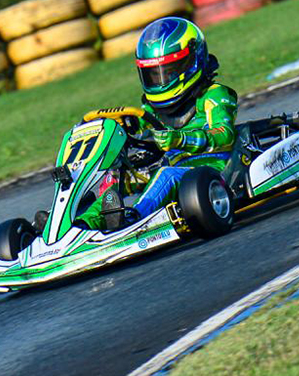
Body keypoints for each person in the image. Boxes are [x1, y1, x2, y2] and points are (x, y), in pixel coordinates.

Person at [74, 16, 238, 231]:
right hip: (171, 165)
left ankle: (134, 221)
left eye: (168, 72)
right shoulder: (153, 110)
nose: (160, 80)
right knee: (117, 178)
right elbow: (143, 134)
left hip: (212, 167)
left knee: (166, 175)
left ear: (191, 62)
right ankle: (82, 225)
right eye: (153, 74)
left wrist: (180, 139)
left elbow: (224, 135)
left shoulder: (214, 95)